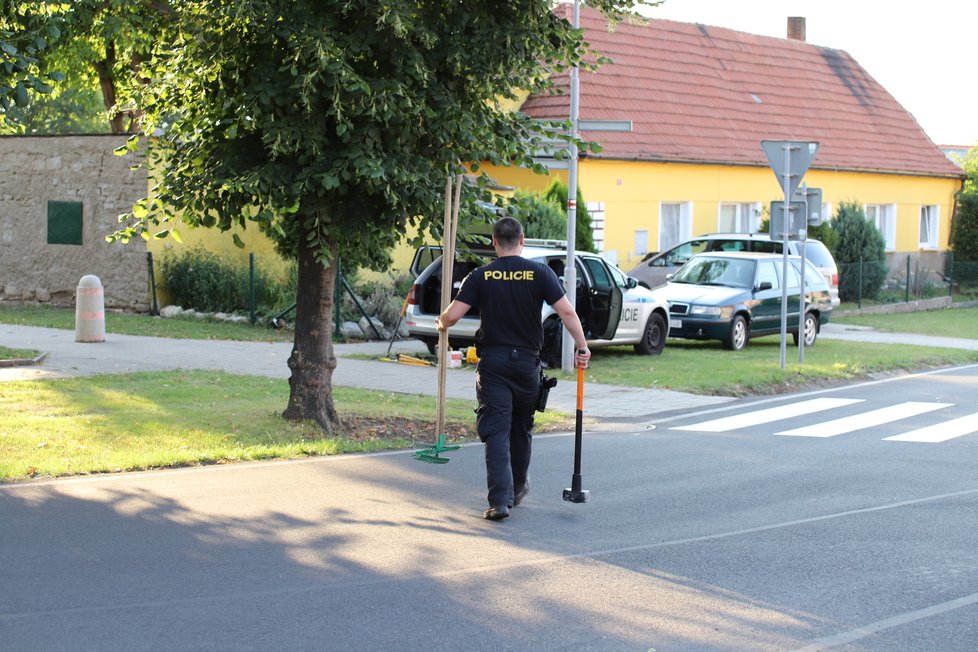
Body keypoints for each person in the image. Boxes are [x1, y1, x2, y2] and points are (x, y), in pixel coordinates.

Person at [436, 217, 591, 521]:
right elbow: (566, 311)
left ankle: (500, 501)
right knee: (521, 427)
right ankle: (518, 487)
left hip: (493, 364)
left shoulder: (481, 276)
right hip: (526, 367)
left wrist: (441, 322)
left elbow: (452, 316)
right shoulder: (540, 273)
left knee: (496, 430)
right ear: (522, 241)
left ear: (494, 242)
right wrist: (582, 347)